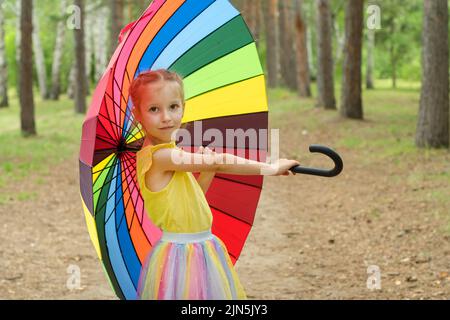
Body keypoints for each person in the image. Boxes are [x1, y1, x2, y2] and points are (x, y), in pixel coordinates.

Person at [130, 69, 300, 300]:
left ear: (183, 107)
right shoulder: (158, 157)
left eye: (173, 107)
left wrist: (207, 171)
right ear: (137, 114)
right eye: (153, 109)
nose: (166, 117)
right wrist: (270, 167)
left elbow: (193, 202)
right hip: (180, 256)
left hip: (203, 248)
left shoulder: (173, 153)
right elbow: (220, 162)